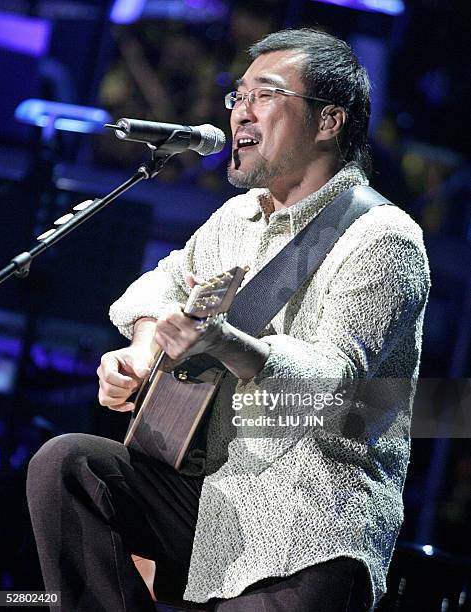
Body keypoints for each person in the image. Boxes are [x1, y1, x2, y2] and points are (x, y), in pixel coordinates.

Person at [27, 28, 430, 611]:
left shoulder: (383, 238)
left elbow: (339, 383)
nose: (241, 112)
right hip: (210, 501)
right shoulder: (237, 217)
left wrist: (223, 341)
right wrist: (143, 351)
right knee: (67, 465)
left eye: (263, 96)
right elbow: (159, 283)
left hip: (303, 524)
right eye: (236, 97)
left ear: (329, 122)